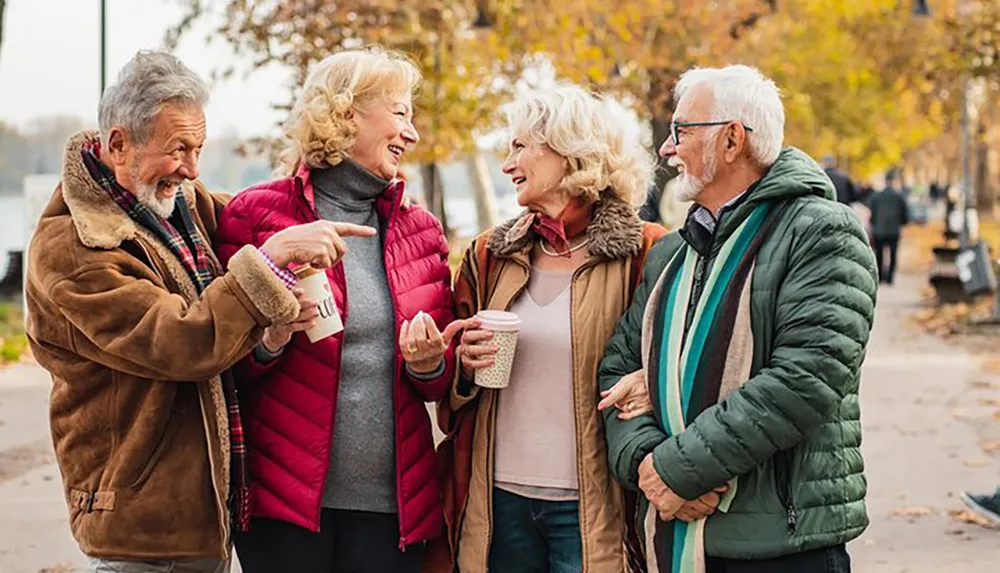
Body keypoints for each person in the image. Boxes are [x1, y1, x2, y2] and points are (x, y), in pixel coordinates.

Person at [24, 51, 350, 573]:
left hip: (203, 523)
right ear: (117, 144)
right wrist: (271, 262)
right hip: (139, 531)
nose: (193, 169)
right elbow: (181, 342)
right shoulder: (71, 248)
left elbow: (258, 217)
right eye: (178, 149)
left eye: (198, 149)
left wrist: (335, 174)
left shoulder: (181, 203)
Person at [599, 65, 878, 573]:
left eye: (682, 131)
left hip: (780, 545)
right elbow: (616, 370)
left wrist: (676, 469)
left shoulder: (821, 231)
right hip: (678, 534)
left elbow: (805, 379)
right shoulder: (675, 254)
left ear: (732, 140)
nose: (667, 148)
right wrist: (645, 463)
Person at [214, 47, 462, 573]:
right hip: (283, 509)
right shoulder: (256, 216)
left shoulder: (422, 232)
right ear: (347, 112)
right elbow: (221, 366)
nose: (412, 134)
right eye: (400, 113)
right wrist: (274, 335)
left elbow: (437, 384)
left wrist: (429, 364)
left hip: (392, 510)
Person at [427, 84, 666, 573]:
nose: (507, 164)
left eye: (519, 147)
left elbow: (679, 367)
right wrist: (461, 367)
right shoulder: (488, 255)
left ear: (567, 149)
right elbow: (452, 391)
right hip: (498, 503)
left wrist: (651, 384)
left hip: (592, 506)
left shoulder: (647, 252)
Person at [868, 169, 910, 285]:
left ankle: (881, 276)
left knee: (879, 254)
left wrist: (874, 223)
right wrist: (902, 222)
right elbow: (905, 213)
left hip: (879, 229)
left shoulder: (876, 196)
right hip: (894, 229)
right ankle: (890, 277)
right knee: (893, 253)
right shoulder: (899, 196)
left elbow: (872, 212)